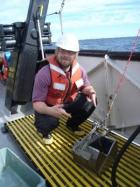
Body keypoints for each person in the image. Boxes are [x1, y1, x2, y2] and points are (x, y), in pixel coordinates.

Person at [32, 33, 97, 144]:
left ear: (76, 54)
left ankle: (72, 125)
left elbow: (85, 86)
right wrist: (49, 110)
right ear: (56, 51)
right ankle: (44, 131)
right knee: (49, 122)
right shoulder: (44, 73)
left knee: (90, 102)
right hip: (50, 105)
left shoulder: (80, 70)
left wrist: (90, 91)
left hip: (68, 103)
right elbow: (37, 103)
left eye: (70, 52)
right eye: (62, 51)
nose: (66, 55)